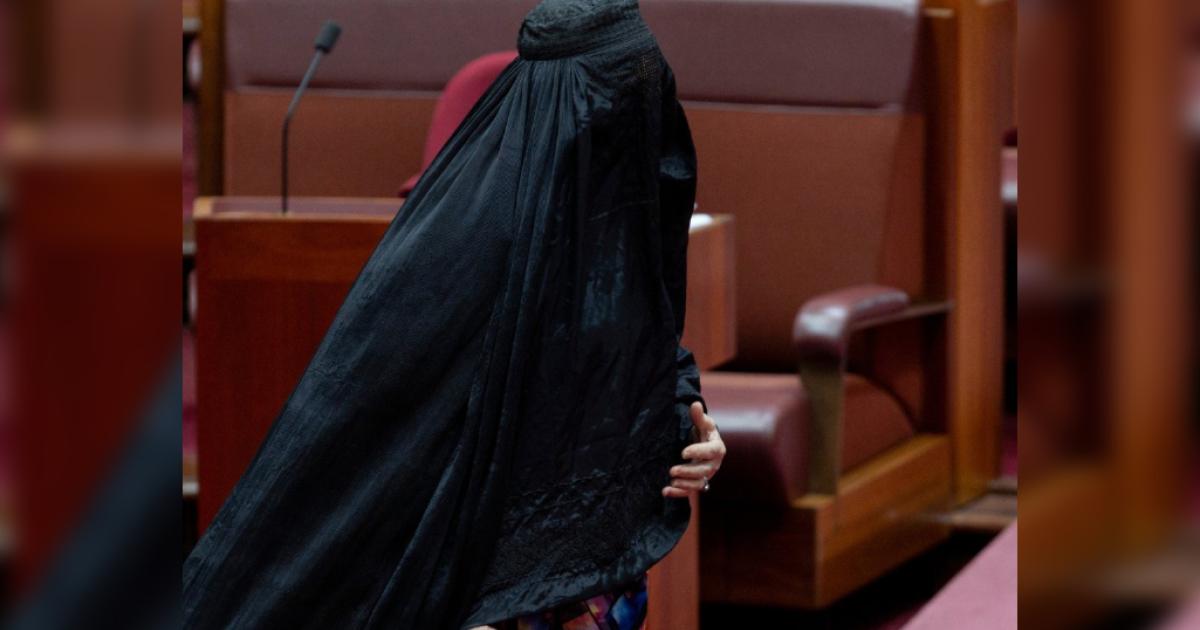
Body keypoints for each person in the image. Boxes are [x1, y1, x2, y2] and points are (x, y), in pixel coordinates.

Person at [182, 1, 725, 628]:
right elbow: (378, 453)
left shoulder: (616, 216)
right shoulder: (463, 244)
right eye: (627, 92)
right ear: (576, 109)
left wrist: (690, 424)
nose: (645, 115)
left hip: (594, 568)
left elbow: (636, 345)